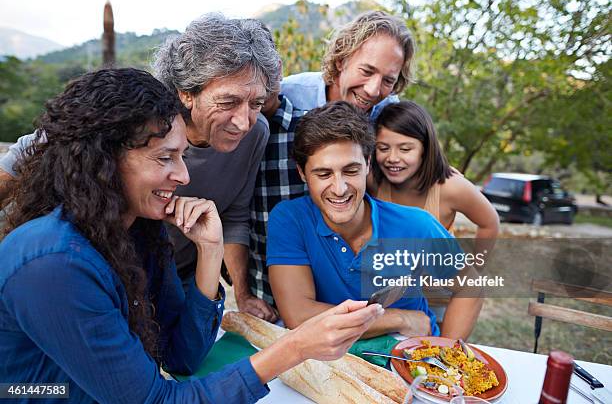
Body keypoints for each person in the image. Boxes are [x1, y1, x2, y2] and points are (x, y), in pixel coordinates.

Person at [0, 68, 384, 404]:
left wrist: (210, 250)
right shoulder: (51, 264)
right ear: (104, 161)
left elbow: (181, 357)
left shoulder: (138, 230)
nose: (184, 176)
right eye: (165, 158)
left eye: (182, 156)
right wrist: (295, 347)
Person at [0, 14, 279, 322]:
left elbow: (234, 216)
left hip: (173, 277)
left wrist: (242, 295)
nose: (244, 121)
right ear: (187, 93)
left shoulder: (256, 134)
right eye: (228, 103)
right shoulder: (135, 114)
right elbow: (28, 155)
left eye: (256, 104)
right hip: (96, 272)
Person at [267, 101, 483, 340]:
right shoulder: (290, 219)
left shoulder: (416, 225)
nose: (339, 189)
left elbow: (470, 285)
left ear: (368, 165)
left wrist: (445, 355)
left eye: (351, 171)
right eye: (324, 174)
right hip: (332, 359)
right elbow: (299, 315)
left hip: (411, 355)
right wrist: (400, 319)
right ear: (302, 173)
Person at [369, 101, 500, 239]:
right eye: (383, 148)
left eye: (405, 149)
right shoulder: (372, 181)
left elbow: (490, 223)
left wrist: (475, 261)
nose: (392, 158)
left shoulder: (452, 187)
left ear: (425, 149)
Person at [281, 10, 415, 120]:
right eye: (366, 72)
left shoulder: (390, 114)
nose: (373, 91)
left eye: (388, 80)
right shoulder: (286, 95)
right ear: (341, 59)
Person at [248, 72, 308, 304]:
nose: (257, 87)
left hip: (313, 296)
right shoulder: (231, 134)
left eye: (262, 73)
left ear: (277, 68)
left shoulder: (309, 128)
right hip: (260, 293)